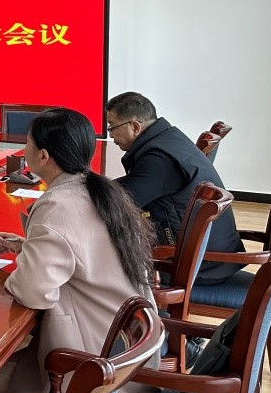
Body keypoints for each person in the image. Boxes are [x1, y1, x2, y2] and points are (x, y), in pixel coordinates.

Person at [0, 107, 157, 393]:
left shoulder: (58, 204)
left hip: (88, 356)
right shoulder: (100, 188)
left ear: (43, 156)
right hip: (122, 343)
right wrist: (29, 247)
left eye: (28, 143)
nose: (24, 149)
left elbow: (32, 291)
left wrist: (25, 263)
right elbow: (86, 255)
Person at [105, 92, 244, 285]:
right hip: (210, 255)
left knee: (100, 257)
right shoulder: (168, 139)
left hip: (194, 265)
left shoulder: (158, 158)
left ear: (135, 127)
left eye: (112, 127)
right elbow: (132, 186)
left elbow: (118, 202)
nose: (110, 134)